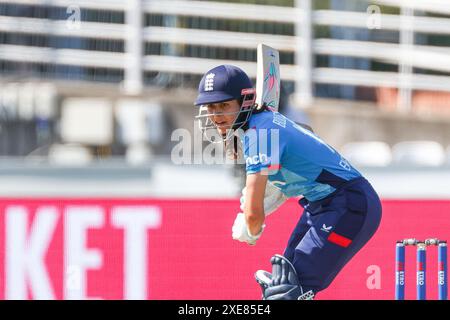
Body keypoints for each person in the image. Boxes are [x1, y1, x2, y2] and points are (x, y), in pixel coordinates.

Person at [194, 64, 382, 300]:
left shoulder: (260, 132)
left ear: (244, 102)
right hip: (323, 206)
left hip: (350, 205)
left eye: (223, 105)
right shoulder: (263, 122)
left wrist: (251, 227)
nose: (216, 115)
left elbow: (254, 216)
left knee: (288, 292)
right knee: (282, 283)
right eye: (211, 107)